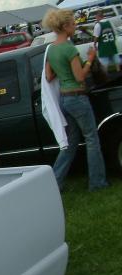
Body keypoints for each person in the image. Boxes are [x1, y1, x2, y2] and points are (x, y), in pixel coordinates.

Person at [43, 9, 109, 192]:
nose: (75, 26)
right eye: (73, 24)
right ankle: (97, 182)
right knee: (92, 139)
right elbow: (80, 77)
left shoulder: (51, 49)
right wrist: (90, 59)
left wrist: (62, 69)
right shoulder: (69, 48)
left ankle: (55, 182)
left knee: (70, 142)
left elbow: (49, 76)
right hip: (77, 98)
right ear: (65, 26)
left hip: (64, 100)